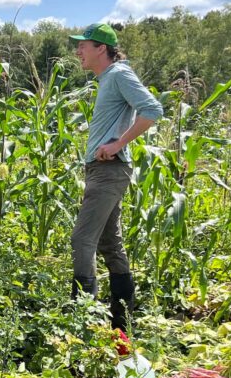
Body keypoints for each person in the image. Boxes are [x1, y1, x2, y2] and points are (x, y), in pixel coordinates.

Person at [69, 23, 163, 330]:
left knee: (82, 239)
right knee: (110, 245)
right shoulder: (108, 78)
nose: (78, 50)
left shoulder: (119, 74)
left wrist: (117, 143)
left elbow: (152, 109)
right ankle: (121, 325)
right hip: (103, 170)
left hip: (109, 171)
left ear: (102, 49)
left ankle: (81, 323)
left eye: (84, 44)